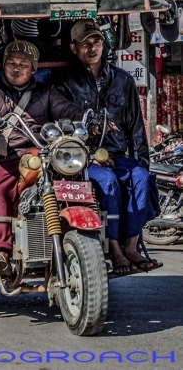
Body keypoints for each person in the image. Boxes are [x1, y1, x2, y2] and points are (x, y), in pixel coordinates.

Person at [0, 40, 83, 277]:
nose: (16, 68)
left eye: (23, 64)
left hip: (45, 154)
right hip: (10, 156)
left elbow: (67, 110)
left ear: (33, 68)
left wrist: (87, 118)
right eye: (11, 63)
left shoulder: (46, 92)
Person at [56, 19, 159, 275]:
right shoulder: (64, 82)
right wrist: (89, 155)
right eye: (86, 44)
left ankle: (132, 245)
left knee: (142, 177)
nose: (92, 48)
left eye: (97, 42)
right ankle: (114, 246)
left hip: (118, 155)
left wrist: (141, 162)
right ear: (73, 48)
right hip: (83, 159)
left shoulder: (123, 79)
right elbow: (61, 126)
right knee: (108, 182)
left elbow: (136, 128)